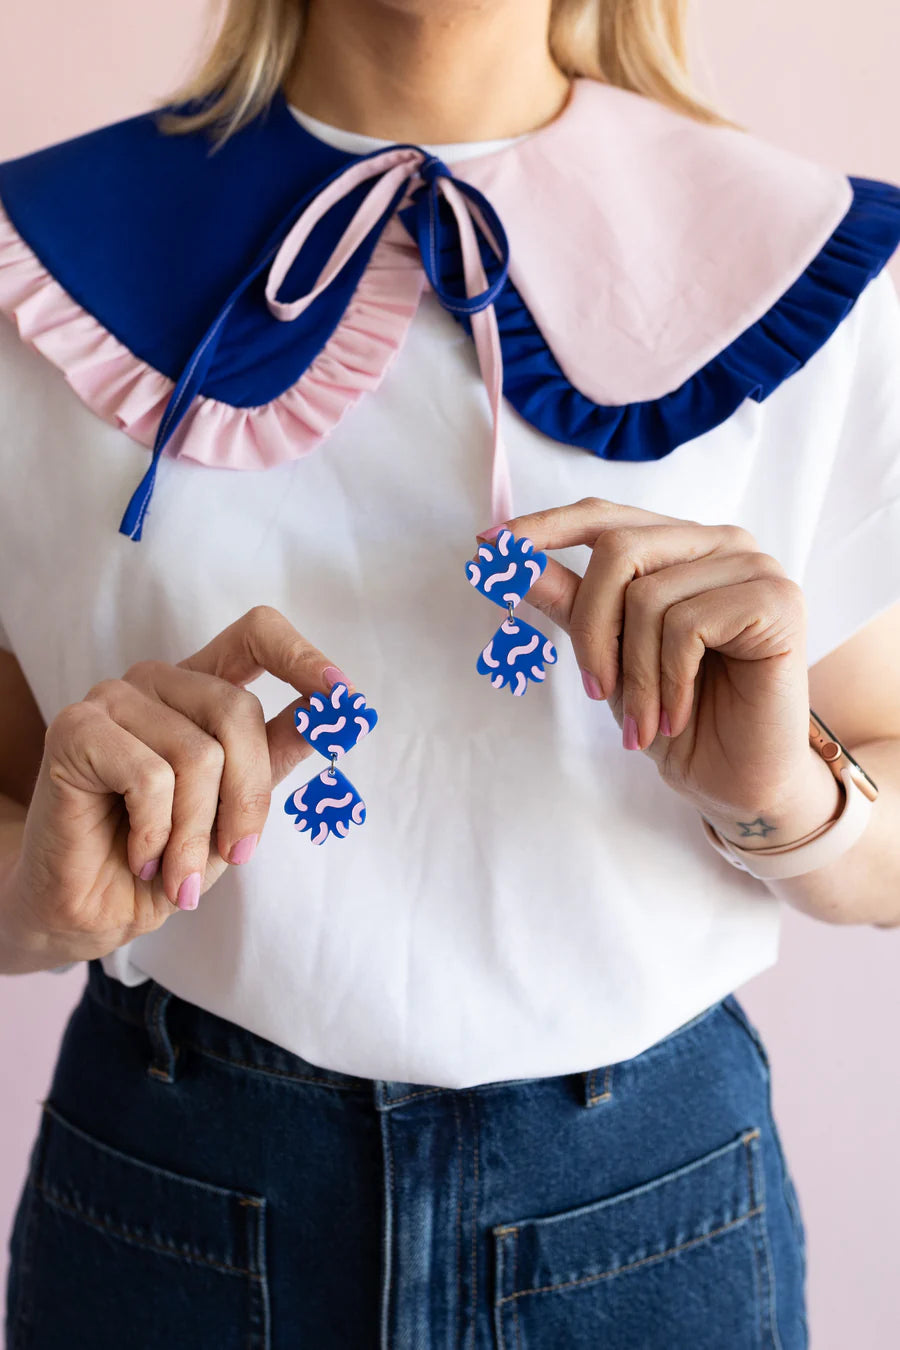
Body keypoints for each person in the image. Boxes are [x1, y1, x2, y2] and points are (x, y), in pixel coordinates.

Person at [2, 0, 899, 1344]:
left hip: (645, 1210)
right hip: (172, 1195)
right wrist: (33, 911)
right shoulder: (38, 260)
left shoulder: (810, 261)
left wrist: (784, 798)